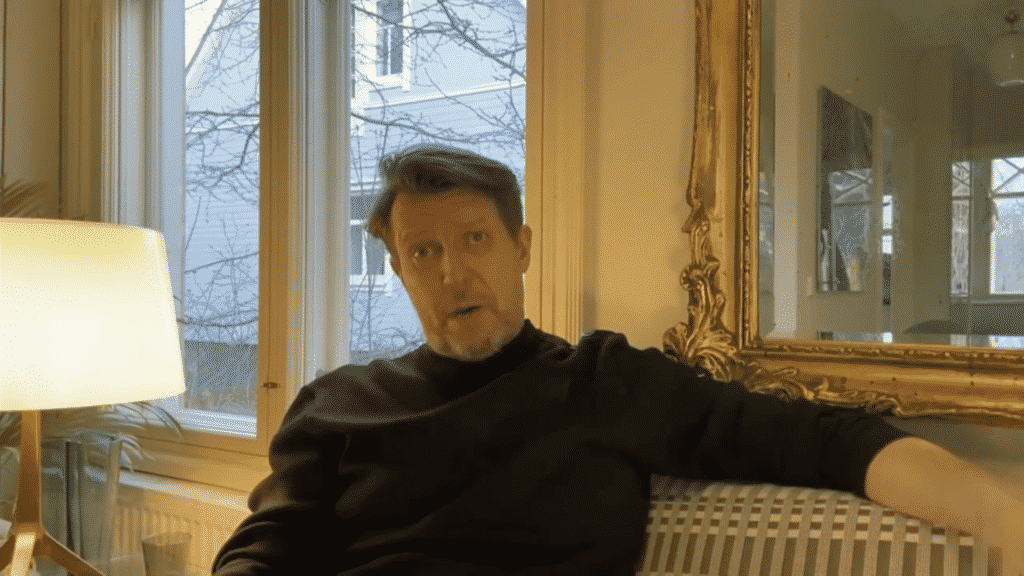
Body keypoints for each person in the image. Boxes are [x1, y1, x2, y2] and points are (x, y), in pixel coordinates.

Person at [212, 144, 1024, 576]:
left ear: (522, 248)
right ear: (398, 268)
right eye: (424, 251)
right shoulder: (338, 403)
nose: (453, 273)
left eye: (475, 239)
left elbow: (820, 439)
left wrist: (998, 514)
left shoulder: (603, 383)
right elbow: (268, 543)